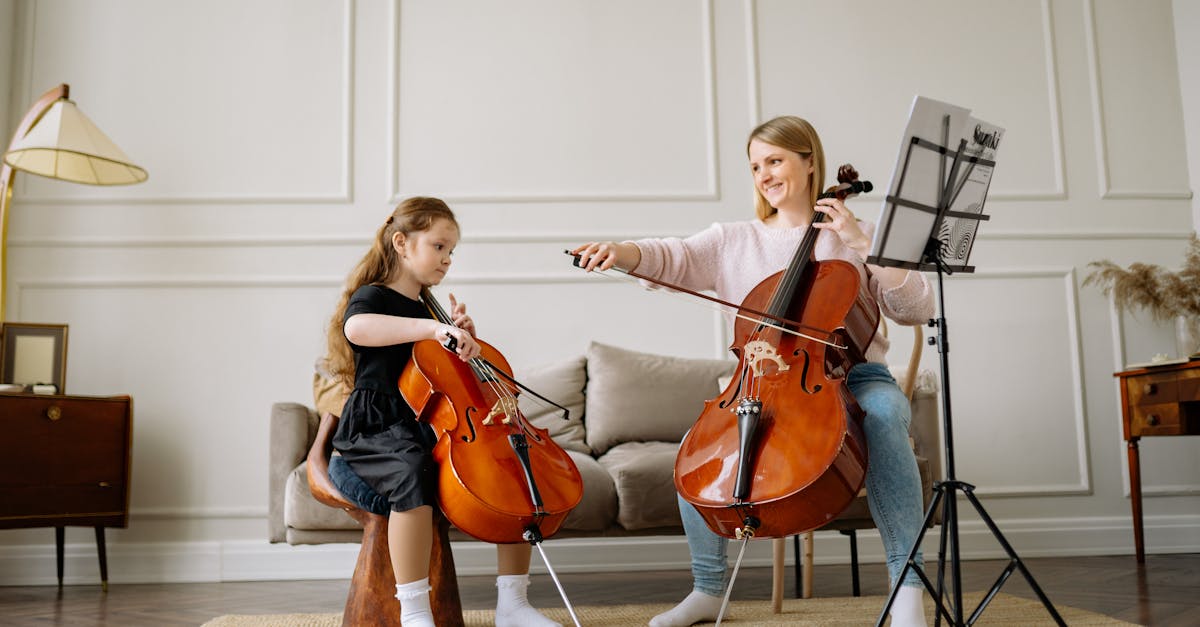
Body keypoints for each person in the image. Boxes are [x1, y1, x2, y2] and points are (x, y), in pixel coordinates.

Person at [571, 116, 934, 627]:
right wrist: (622, 252)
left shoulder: (857, 237)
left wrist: (859, 243)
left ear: (809, 162)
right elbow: (671, 256)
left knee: (886, 416)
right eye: (756, 166)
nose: (764, 174)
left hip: (855, 375)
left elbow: (915, 308)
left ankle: (907, 587)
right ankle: (707, 591)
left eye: (775, 161)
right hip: (762, 382)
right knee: (698, 450)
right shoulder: (733, 240)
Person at [324, 196, 561, 627]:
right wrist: (435, 329)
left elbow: (443, 385)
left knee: (512, 468)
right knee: (411, 471)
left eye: (451, 251)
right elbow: (357, 328)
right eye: (439, 246)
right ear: (401, 242)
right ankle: (415, 613)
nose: (448, 259)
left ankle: (513, 604)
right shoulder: (373, 296)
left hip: (425, 424)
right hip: (376, 428)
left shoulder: (428, 308)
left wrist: (466, 342)